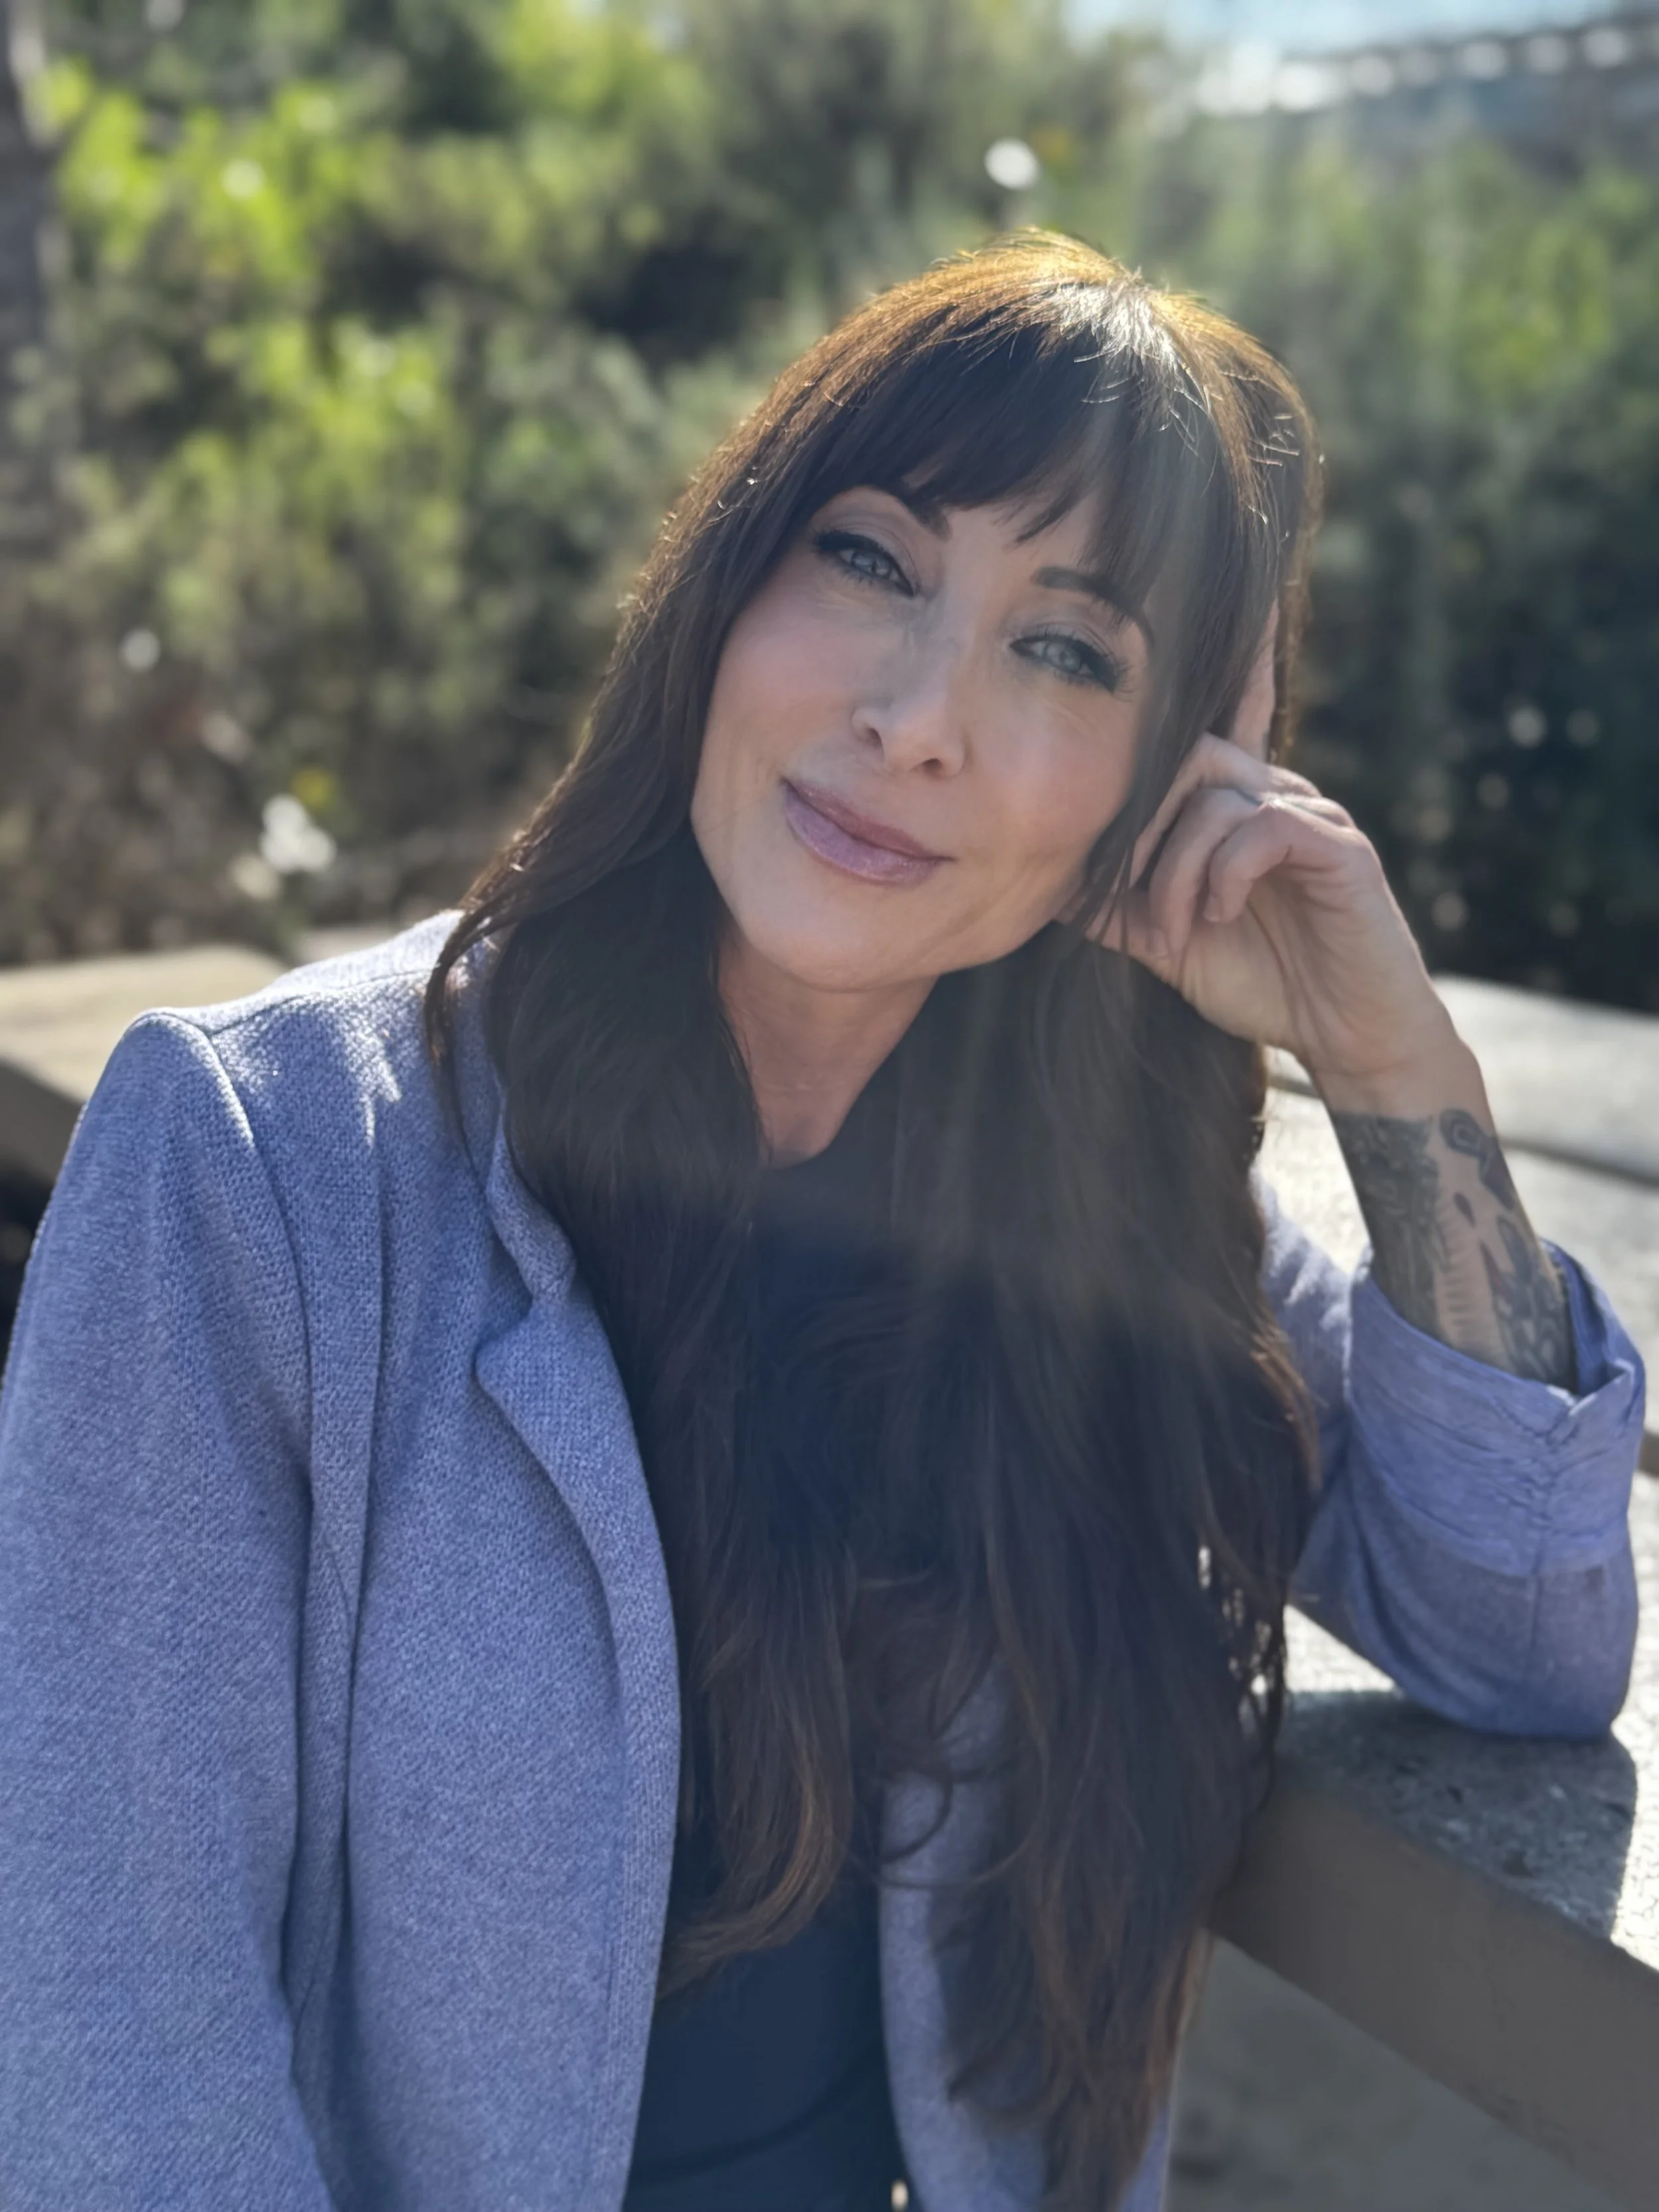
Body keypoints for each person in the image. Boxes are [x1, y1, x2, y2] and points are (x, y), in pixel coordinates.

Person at [0, 235, 1643, 2212]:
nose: (916, 712)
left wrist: (1395, 1070)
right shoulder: (265, 1162)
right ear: (726, 584)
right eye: (867, 557)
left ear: (1162, 783)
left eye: (1066, 648)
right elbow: (108, 2030)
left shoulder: (1103, 1216)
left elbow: (1520, 1639)